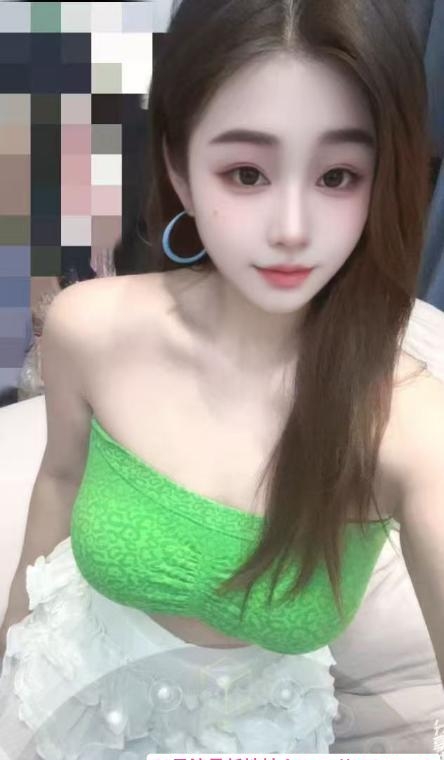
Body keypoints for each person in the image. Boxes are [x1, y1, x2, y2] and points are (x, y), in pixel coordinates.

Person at [0, 0, 436, 757]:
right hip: (68, 684)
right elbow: (60, 480)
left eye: (337, 175)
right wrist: (9, 647)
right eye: (246, 173)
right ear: (179, 168)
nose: (292, 228)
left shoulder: (407, 422)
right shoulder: (90, 327)